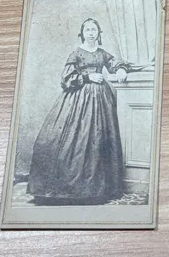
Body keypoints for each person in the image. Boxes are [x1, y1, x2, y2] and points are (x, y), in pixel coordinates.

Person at [27, 19, 128, 205]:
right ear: (82, 33)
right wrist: (88, 77)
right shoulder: (76, 53)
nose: (91, 33)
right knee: (64, 141)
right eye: (87, 30)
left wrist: (121, 69)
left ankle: (96, 191)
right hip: (77, 98)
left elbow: (114, 63)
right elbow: (66, 79)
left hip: (101, 100)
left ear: (99, 33)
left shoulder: (102, 53)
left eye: (94, 30)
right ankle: (63, 190)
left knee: (98, 140)